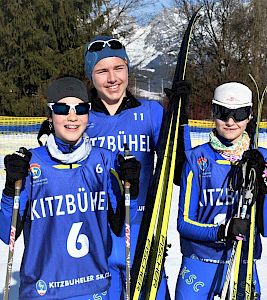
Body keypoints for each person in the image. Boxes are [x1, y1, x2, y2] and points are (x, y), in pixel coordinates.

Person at [0, 77, 141, 299]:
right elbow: (7, 234)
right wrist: (9, 189)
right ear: (50, 114)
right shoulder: (31, 164)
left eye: (81, 108)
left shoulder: (105, 160)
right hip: (43, 291)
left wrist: (131, 188)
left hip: (93, 290)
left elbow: (120, 226)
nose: (72, 116)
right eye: (63, 108)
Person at [83, 35, 189, 299]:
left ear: (127, 69)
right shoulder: (79, 118)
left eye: (119, 68)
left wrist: (179, 119)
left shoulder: (151, 112)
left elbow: (178, 173)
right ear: (91, 75)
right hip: (96, 239)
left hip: (143, 237)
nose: (112, 78)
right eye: (102, 71)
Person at [175, 82, 267, 299]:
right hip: (199, 263)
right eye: (222, 113)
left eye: (239, 114)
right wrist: (222, 231)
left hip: (242, 262)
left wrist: (263, 189)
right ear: (213, 112)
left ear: (250, 115)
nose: (230, 121)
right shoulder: (196, 159)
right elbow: (183, 223)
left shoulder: (262, 158)